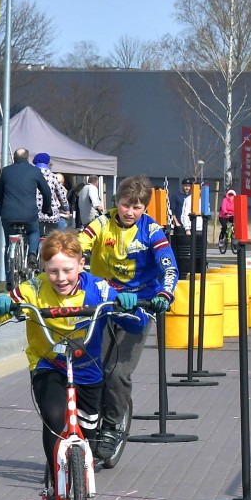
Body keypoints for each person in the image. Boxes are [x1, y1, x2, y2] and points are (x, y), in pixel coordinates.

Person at [0, 230, 148, 500]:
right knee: (55, 418)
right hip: (49, 365)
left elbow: (137, 324)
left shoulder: (99, 289)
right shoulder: (33, 289)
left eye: (68, 270)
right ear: (43, 268)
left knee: (89, 431)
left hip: (88, 369)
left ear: (81, 264)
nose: (61, 278)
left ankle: (81, 463)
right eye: (53, 271)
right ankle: (52, 489)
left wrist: (128, 307)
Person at [78, 176, 178, 463]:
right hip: (103, 301)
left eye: (137, 207)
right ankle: (86, 421)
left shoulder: (152, 231)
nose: (130, 212)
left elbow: (169, 267)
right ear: (116, 202)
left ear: (145, 208)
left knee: (117, 373)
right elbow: (76, 246)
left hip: (139, 306)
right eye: (125, 205)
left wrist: (164, 294)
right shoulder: (101, 223)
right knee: (86, 366)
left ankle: (112, 427)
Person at [0, 147, 52, 256]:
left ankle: (10, 260)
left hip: (9, 214)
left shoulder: (6, 171)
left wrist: (1, 210)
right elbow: (46, 192)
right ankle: (32, 254)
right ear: (27, 158)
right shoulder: (35, 171)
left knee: (9, 244)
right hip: (29, 214)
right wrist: (46, 208)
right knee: (34, 231)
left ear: (14, 158)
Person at [33, 153, 68, 238]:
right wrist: (66, 208)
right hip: (50, 214)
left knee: (34, 235)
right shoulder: (53, 176)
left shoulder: (30, 175)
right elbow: (61, 195)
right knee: (54, 236)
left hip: (34, 213)